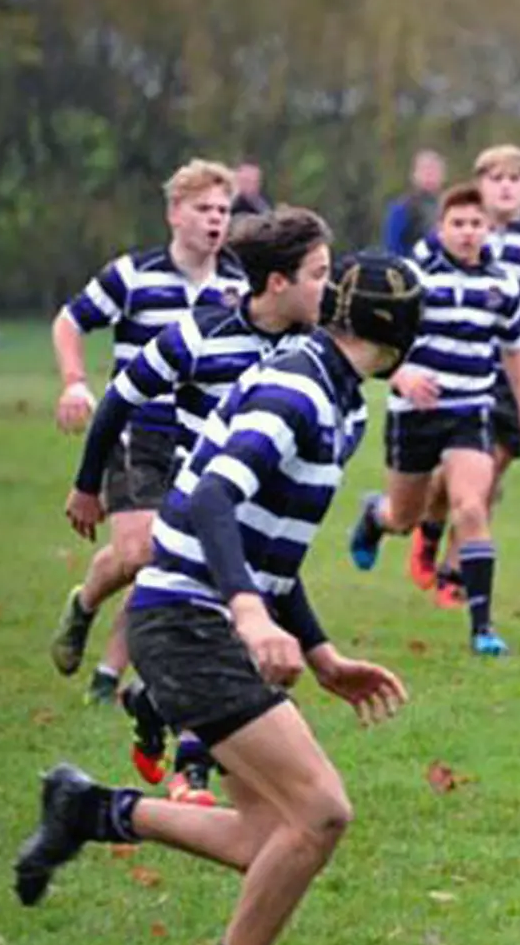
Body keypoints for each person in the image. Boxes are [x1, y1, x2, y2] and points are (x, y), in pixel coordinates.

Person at [11, 249, 419, 945]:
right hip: (186, 622)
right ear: (404, 338)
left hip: (206, 620)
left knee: (263, 839)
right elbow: (212, 504)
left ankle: (89, 810)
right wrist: (248, 612)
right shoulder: (300, 388)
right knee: (323, 813)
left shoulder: (342, 401)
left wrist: (322, 652)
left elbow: (268, 543)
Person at [63, 208, 338, 807]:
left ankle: (150, 702)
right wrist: (88, 486)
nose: (331, 286)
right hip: (203, 512)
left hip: (263, 517)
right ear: (276, 283)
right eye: (320, 273)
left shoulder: (312, 349)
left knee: (238, 641)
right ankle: (192, 774)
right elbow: (118, 401)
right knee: (225, 634)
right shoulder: (199, 335)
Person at [49, 160, 249, 706]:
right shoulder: (133, 275)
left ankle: (109, 680)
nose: (214, 220)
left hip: (204, 435)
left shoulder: (239, 284)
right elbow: (70, 321)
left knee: (171, 556)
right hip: (136, 427)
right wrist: (74, 382)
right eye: (202, 209)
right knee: (139, 552)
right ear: (173, 214)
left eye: (222, 210)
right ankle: (85, 602)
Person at [347, 182, 520, 655]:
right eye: (458, 224)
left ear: (488, 229)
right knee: (405, 516)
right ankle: (375, 516)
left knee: (472, 507)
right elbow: (373, 341)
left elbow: (514, 353)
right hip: (414, 414)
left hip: (471, 411)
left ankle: (482, 629)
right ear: (441, 229)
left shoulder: (502, 285)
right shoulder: (414, 278)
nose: (468, 232)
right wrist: (401, 375)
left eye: (476, 224)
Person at [402, 146, 520, 606]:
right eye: (495, 177)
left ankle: (453, 568)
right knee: (462, 479)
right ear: (480, 184)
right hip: (457, 375)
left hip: (513, 376)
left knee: (489, 478)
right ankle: (436, 537)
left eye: (514, 179)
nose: (505, 186)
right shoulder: (453, 235)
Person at [382, 148, 446, 257]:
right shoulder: (402, 207)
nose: (429, 176)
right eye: (425, 170)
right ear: (414, 175)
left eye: (434, 171)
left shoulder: (448, 206)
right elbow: (393, 248)